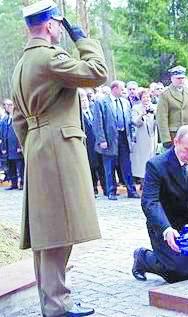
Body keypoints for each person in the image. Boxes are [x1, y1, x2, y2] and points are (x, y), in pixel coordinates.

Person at [10, 1, 108, 316]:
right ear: (51, 25)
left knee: (47, 230)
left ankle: (53, 302)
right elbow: (97, 73)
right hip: (57, 147)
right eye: (59, 26)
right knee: (58, 231)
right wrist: (82, 39)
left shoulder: (21, 64)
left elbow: (18, 121)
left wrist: (34, 148)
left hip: (41, 147)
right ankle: (57, 305)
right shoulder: (50, 58)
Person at [132, 125, 188, 283]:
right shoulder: (156, 165)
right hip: (167, 222)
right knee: (177, 274)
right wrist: (166, 229)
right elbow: (149, 202)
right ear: (176, 142)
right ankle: (143, 258)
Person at [93, 80, 140, 200]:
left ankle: (131, 190)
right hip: (109, 139)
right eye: (122, 88)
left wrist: (132, 138)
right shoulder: (102, 102)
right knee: (109, 166)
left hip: (124, 137)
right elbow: (98, 123)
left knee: (126, 165)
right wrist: (101, 139)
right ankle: (111, 191)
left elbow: (129, 122)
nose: (124, 90)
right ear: (114, 89)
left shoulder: (125, 102)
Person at [157, 66, 188, 148]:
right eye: (178, 78)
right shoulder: (165, 95)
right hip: (174, 135)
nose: (181, 80)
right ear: (172, 79)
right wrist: (165, 139)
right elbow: (162, 118)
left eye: (183, 78)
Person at [130, 88, 157, 182]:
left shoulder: (155, 107)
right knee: (142, 160)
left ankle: (152, 179)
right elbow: (135, 122)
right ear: (141, 98)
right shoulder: (136, 108)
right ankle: (142, 180)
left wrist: (155, 113)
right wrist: (142, 114)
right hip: (141, 137)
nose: (147, 99)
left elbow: (158, 122)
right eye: (144, 97)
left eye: (148, 97)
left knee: (152, 158)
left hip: (153, 137)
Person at [1, 99, 25, 190]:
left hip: (16, 147)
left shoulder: (18, 118)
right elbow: (3, 135)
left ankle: (21, 183)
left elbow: (21, 132)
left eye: (10, 105)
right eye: (6, 105)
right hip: (8, 148)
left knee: (20, 166)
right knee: (11, 166)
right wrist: (3, 147)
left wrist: (19, 146)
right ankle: (13, 184)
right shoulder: (5, 120)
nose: (8, 107)